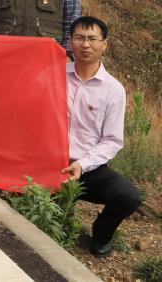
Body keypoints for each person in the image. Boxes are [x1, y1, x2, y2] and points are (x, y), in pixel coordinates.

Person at [61, 16, 142, 258]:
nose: (85, 44)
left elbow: (112, 140)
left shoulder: (113, 89)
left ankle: (101, 235)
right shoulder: (55, 75)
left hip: (87, 169)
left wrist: (81, 164)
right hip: (51, 163)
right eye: (79, 38)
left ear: (104, 44)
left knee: (128, 197)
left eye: (92, 39)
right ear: (70, 42)